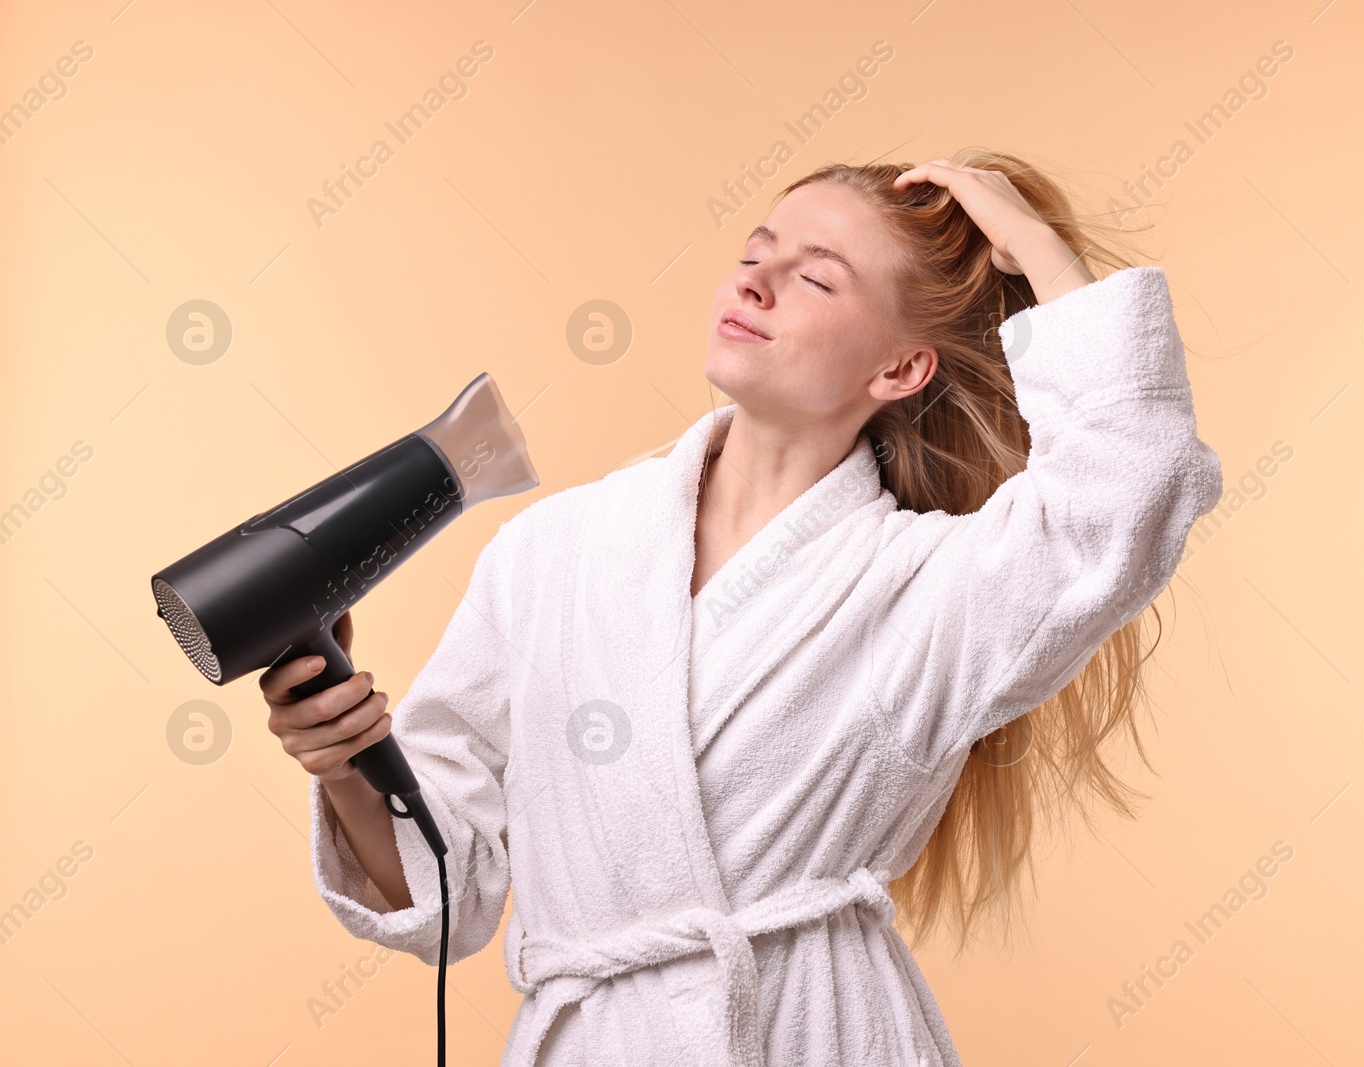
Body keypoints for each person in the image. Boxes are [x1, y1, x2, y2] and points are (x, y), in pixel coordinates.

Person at [259, 149, 1224, 1066]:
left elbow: (1128, 496)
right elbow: (443, 889)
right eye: (755, 253)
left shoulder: (927, 590)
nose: (754, 284)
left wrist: (1045, 259)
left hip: (812, 1032)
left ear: (900, 369)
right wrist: (345, 760)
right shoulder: (551, 553)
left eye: (816, 278)